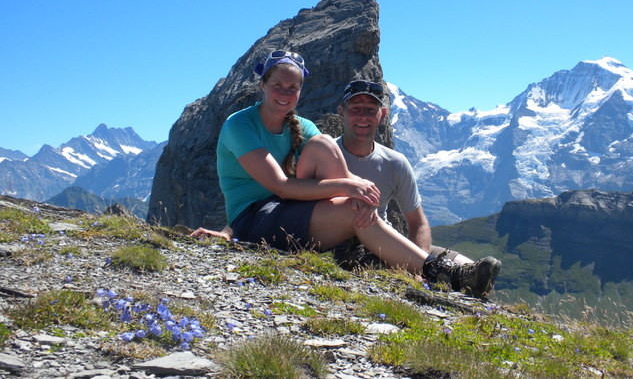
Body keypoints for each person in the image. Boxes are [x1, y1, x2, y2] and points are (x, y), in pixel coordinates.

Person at [190, 50, 500, 298]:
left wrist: (353, 194)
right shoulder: (240, 125)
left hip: (292, 215)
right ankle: (436, 274)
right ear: (262, 85)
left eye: (293, 87)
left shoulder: (307, 130)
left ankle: (461, 276)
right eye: (278, 86)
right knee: (354, 205)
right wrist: (352, 186)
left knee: (324, 149)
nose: (285, 93)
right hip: (258, 220)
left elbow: (416, 221)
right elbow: (278, 189)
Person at [335, 80, 473, 265]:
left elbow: (418, 222)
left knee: (469, 267)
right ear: (341, 112)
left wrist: (419, 264)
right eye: (355, 109)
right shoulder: (323, 152)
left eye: (370, 110)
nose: (363, 117)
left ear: (382, 115)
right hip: (343, 246)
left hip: (387, 243)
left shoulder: (395, 163)